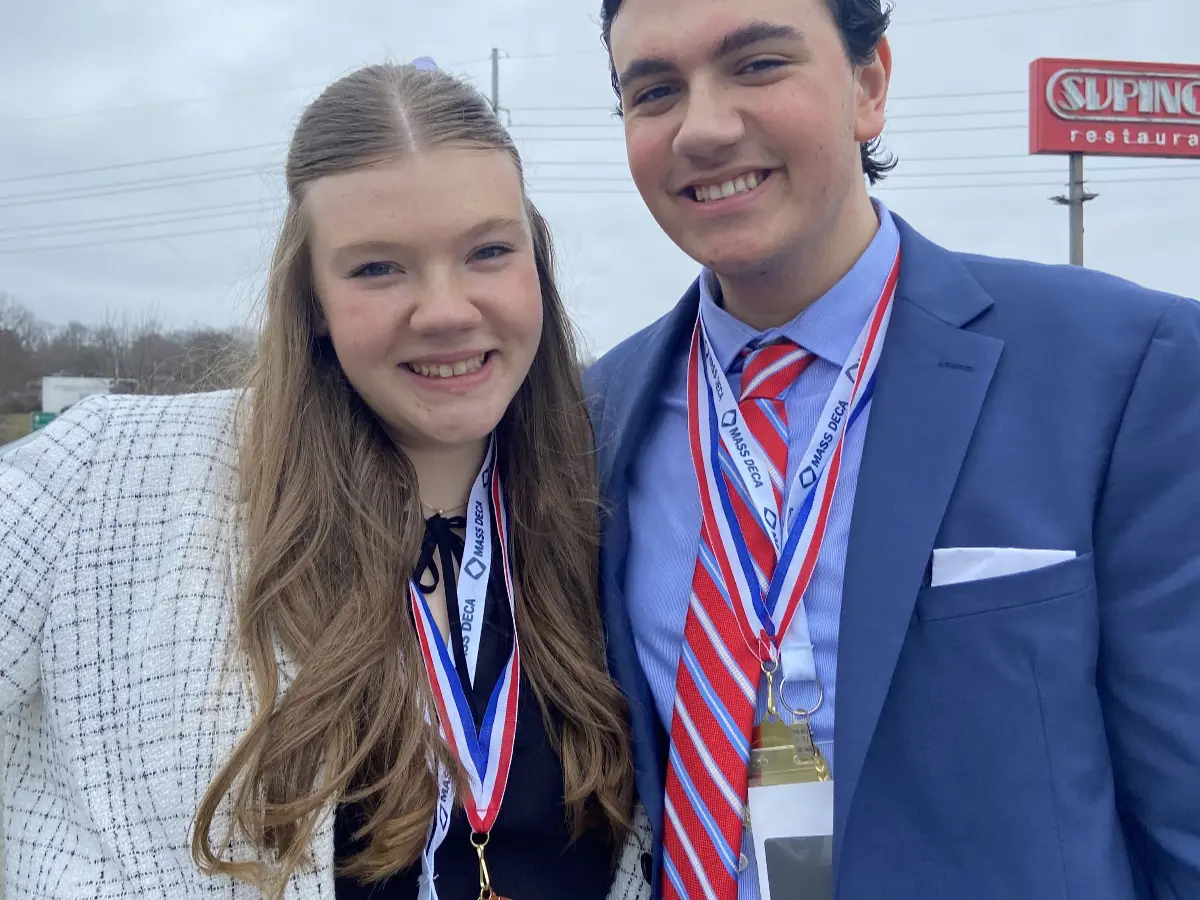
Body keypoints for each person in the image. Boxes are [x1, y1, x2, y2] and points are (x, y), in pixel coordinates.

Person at [585, 1, 1200, 899]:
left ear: (869, 84)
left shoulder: (1121, 370)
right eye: (654, 91)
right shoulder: (594, 415)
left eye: (757, 65)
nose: (702, 128)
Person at [0, 62, 651, 900]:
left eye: (488, 251)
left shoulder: (617, 493)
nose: (446, 310)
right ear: (310, 298)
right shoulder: (106, 479)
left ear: (537, 263)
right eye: (378, 268)